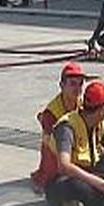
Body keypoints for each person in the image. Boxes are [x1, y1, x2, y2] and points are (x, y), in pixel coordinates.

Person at [31, 62, 87, 192]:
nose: (77, 88)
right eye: (72, 84)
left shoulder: (82, 105)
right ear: (61, 85)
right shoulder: (51, 113)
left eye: (80, 84)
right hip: (56, 154)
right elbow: (49, 146)